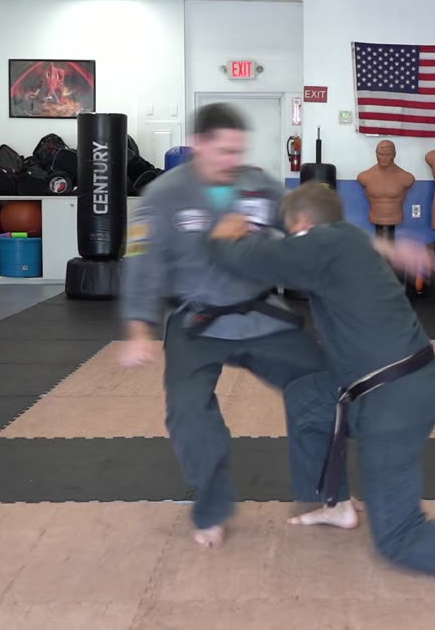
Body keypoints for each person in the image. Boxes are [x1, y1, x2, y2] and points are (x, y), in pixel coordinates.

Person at [205, 182, 435, 586]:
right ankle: (332, 504)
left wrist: (221, 234)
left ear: (300, 223)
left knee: (398, 538)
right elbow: (354, 245)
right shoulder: (346, 238)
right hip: (406, 382)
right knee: (307, 398)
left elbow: (245, 259)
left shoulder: (317, 245)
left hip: (393, 401)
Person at [118, 103, 333, 550]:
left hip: (260, 313)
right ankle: (212, 507)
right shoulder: (163, 196)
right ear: (198, 145)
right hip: (196, 320)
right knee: (187, 412)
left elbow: (305, 230)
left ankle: (321, 496)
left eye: (238, 151)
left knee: (321, 382)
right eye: (223, 151)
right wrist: (139, 329)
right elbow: (143, 266)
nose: (232, 161)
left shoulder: (258, 185)